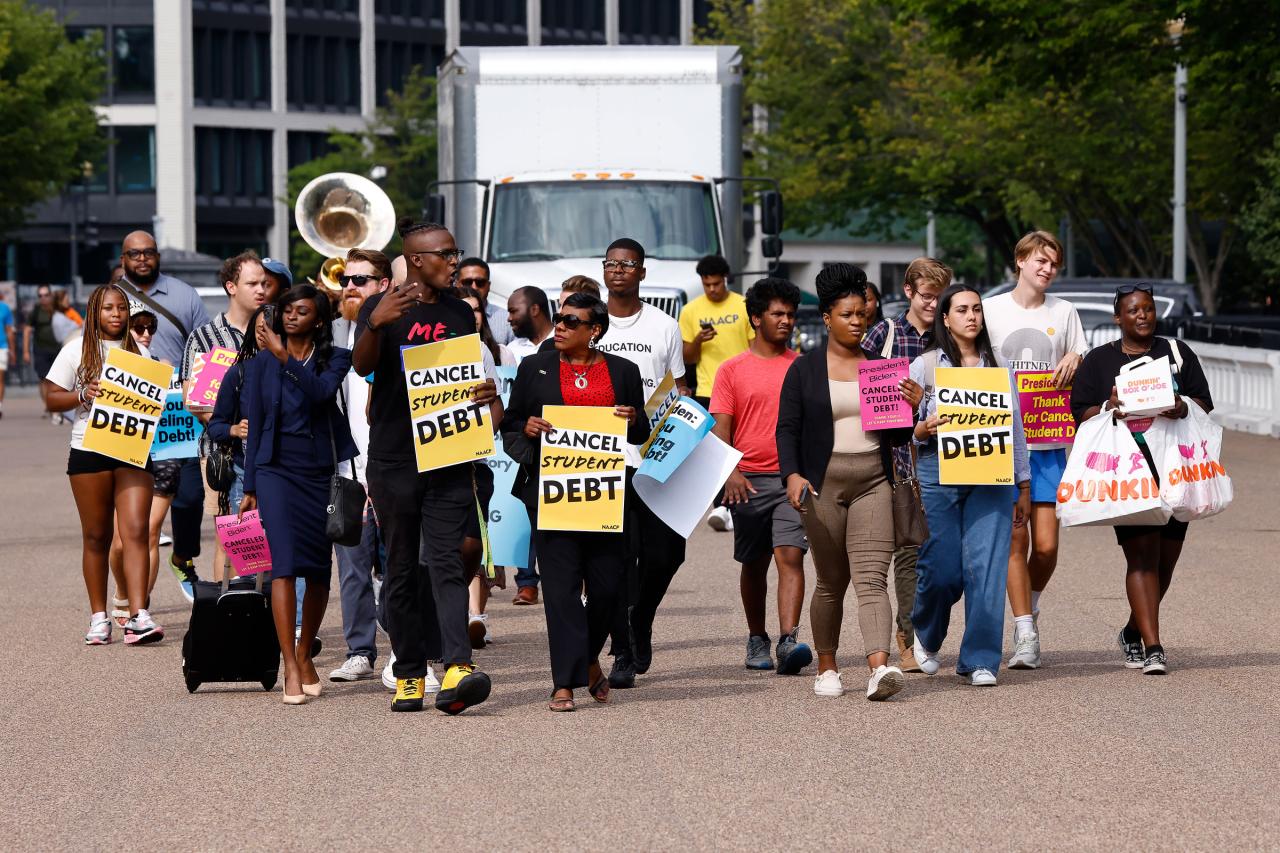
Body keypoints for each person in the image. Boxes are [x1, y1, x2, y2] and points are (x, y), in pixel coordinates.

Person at [352, 219, 499, 714]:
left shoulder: (460, 311)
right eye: (446, 254)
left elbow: (464, 372)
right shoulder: (384, 306)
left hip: (449, 453)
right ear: (417, 259)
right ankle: (410, 671)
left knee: (448, 560)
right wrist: (375, 322)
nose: (454, 261)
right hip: (394, 458)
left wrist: (484, 392)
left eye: (455, 253)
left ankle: (457, 666)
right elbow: (361, 366)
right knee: (399, 568)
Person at [501, 293, 649, 710]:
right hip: (552, 495)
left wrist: (634, 419)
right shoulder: (535, 367)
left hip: (605, 495)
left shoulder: (624, 371)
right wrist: (527, 428)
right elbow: (511, 424)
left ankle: (586, 662)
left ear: (594, 330)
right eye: (558, 319)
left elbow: (640, 432)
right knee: (562, 591)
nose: (560, 327)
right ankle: (563, 682)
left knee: (606, 589)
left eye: (571, 321)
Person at [777, 264, 918, 700]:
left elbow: (895, 435)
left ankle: (879, 667)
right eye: (848, 315)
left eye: (863, 314)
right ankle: (828, 665)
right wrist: (793, 474)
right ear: (827, 318)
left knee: (872, 578)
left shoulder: (881, 368)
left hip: (874, 482)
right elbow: (788, 428)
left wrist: (910, 408)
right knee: (831, 581)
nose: (857, 322)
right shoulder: (804, 370)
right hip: (821, 487)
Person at [1070, 284, 1213, 675]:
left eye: (1148, 309)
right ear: (1119, 318)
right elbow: (1079, 411)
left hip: (1175, 471)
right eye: (1133, 311)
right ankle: (1154, 647)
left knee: (1165, 563)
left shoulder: (1178, 353)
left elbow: (1204, 403)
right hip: (1128, 473)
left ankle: (1133, 629)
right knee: (1141, 557)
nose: (1143, 316)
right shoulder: (1099, 362)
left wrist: (1181, 405)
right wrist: (1108, 407)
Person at [909, 284, 1031, 687]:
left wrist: (1023, 483)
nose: (971, 316)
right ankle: (926, 635)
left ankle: (980, 658)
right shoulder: (924, 366)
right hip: (937, 473)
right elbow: (904, 433)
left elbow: (1015, 429)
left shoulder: (1001, 369)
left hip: (991, 479)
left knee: (987, 568)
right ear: (945, 318)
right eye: (961, 309)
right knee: (941, 569)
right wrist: (921, 429)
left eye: (976, 309)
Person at [239, 285, 355, 704]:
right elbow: (253, 426)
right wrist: (250, 485)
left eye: (301, 311)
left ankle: (306, 652)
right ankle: (288, 662)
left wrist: (287, 358)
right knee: (282, 565)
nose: (289, 317)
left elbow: (321, 393)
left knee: (318, 571)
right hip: (274, 471)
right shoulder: (259, 366)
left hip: (318, 470)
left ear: (319, 320)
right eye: (286, 310)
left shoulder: (335, 359)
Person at [982, 231, 1087, 670]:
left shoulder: (1064, 312)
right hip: (1001, 442)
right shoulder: (989, 310)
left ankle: (1032, 605)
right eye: (1040, 261)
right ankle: (1025, 632)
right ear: (1020, 260)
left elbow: (1082, 354)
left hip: (1047, 443)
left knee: (1045, 547)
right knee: (1014, 540)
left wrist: (1077, 358)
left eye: (1054, 264)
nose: (1047, 269)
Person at [591, 237, 689, 688]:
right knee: (616, 557)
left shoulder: (664, 326)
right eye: (611, 263)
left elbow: (679, 390)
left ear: (642, 273)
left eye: (628, 264)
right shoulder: (590, 324)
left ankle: (641, 616)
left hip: (656, 455)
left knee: (668, 552)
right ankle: (623, 651)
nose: (618, 270)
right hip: (603, 457)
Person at [43, 284, 163, 645]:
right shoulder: (76, 349)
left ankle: (138, 615)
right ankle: (99, 617)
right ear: (94, 311)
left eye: (122, 308)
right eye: (108, 308)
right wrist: (81, 394)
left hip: (132, 450)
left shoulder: (140, 351)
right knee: (96, 536)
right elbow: (50, 397)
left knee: (136, 532)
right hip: (89, 448)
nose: (116, 314)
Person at [710, 277, 813, 675]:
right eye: (777, 314)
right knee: (753, 563)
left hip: (791, 478)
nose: (786, 320)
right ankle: (757, 637)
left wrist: (803, 473)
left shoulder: (803, 367)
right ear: (756, 319)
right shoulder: (731, 370)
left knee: (790, 555)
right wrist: (730, 471)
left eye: (790, 314)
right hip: (747, 479)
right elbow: (721, 426)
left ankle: (789, 641)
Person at [861, 258, 952, 673]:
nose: (933, 304)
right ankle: (906, 638)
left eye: (939, 296)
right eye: (927, 296)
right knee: (906, 550)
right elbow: (867, 393)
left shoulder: (949, 334)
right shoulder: (885, 333)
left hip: (945, 459)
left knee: (938, 551)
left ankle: (923, 632)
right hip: (894, 456)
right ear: (909, 291)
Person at [114, 231, 212, 602]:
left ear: (157, 255)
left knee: (189, 499)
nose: (142, 259)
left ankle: (182, 557)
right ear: (123, 258)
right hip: (131, 416)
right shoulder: (112, 298)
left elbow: (205, 347)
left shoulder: (184, 294)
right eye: (134, 253)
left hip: (176, 417)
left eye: (148, 252)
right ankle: (136, 601)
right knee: (139, 518)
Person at [181, 250, 279, 582]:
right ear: (231, 287)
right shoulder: (204, 338)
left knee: (275, 537)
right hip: (222, 456)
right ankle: (234, 613)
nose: (261, 290)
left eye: (264, 283)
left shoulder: (275, 330)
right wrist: (232, 428)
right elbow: (192, 400)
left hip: (275, 453)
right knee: (232, 540)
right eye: (252, 283)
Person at [325, 248, 391, 683]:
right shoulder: (327, 334)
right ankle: (359, 651)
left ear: (383, 286)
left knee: (398, 567)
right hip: (345, 472)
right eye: (346, 279)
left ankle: (404, 650)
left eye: (361, 280)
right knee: (351, 568)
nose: (349, 286)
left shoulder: (396, 331)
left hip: (390, 469)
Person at [107, 309, 178, 625]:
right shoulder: (111, 366)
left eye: (151, 328)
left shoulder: (164, 368)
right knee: (121, 541)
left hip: (164, 453)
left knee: (149, 532)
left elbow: (182, 409)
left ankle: (140, 608)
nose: (146, 333)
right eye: (139, 327)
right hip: (124, 454)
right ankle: (122, 591)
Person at [449, 282, 510, 648]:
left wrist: (483, 428)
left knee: (472, 545)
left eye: (474, 311)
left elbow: (497, 405)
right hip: (426, 470)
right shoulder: (417, 350)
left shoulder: (481, 351)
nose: (470, 317)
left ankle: (472, 613)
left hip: (472, 466)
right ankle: (449, 624)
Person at [680, 255, 753, 534]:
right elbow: (686, 356)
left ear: (726, 279)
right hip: (708, 389)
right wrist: (699, 340)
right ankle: (722, 507)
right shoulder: (690, 310)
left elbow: (753, 345)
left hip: (742, 387)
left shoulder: (742, 306)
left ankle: (734, 505)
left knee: (739, 445)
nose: (712, 289)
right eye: (706, 284)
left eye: (716, 283)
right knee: (713, 450)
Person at [456, 256, 513, 345]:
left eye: (480, 282)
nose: (474, 287)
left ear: (489, 285)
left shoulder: (506, 320)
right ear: (457, 284)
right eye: (467, 282)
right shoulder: (445, 316)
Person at [26, 285, 62, 421]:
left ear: (51, 295)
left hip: (58, 349)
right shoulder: (36, 311)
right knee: (44, 379)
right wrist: (25, 351)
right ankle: (48, 405)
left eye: (46, 295)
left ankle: (54, 405)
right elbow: (27, 330)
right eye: (40, 296)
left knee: (57, 379)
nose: (43, 298)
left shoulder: (59, 309)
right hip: (40, 349)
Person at [455, 285, 515, 366]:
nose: (473, 316)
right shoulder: (440, 354)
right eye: (465, 310)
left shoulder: (503, 354)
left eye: (477, 310)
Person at [506, 285, 554, 363]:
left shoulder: (564, 344)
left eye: (513, 311)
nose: (509, 318)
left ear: (534, 310)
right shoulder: (512, 349)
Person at [0, 293, 14, 419]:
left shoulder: (4, 308)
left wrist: (12, 350)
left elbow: (9, 330)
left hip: (2, 347)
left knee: (0, 378)